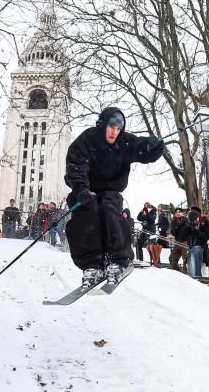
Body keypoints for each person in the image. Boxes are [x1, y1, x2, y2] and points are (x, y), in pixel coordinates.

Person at [64, 107, 164, 286]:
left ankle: (117, 259)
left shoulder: (124, 142)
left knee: (108, 209)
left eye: (118, 129)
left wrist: (154, 147)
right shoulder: (88, 139)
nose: (114, 132)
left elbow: (142, 149)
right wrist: (81, 189)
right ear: (103, 125)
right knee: (88, 212)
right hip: (86, 190)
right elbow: (76, 164)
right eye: (111, 127)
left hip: (110, 190)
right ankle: (91, 264)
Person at [185, 207, 209, 277]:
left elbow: (206, 235)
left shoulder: (204, 221)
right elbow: (185, 235)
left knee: (202, 262)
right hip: (192, 245)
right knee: (191, 262)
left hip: (202, 245)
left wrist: (196, 230)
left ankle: (203, 277)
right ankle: (196, 276)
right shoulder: (189, 223)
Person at [170, 208, 188, 272]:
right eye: (176, 212)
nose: (177, 213)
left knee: (185, 259)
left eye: (179, 212)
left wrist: (180, 224)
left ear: (182, 213)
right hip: (177, 242)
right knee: (171, 259)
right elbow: (173, 232)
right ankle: (179, 273)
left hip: (185, 241)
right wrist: (177, 226)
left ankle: (186, 274)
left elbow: (187, 229)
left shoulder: (186, 220)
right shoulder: (173, 221)